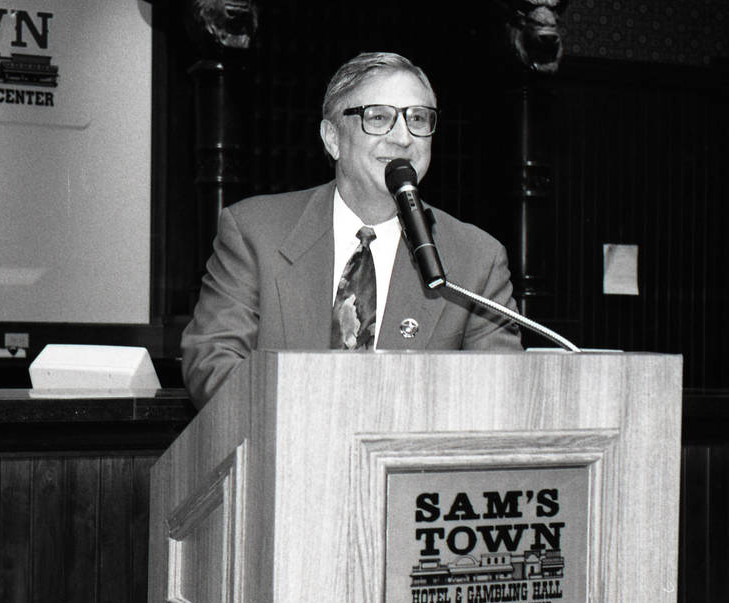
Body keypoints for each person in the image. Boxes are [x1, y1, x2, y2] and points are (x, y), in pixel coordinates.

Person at [180, 51, 522, 408]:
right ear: (332, 138)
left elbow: (500, 393)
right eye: (379, 117)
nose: (403, 138)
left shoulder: (477, 258)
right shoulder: (255, 232)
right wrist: (320, 420)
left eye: (418, 118)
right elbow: (212, 364)